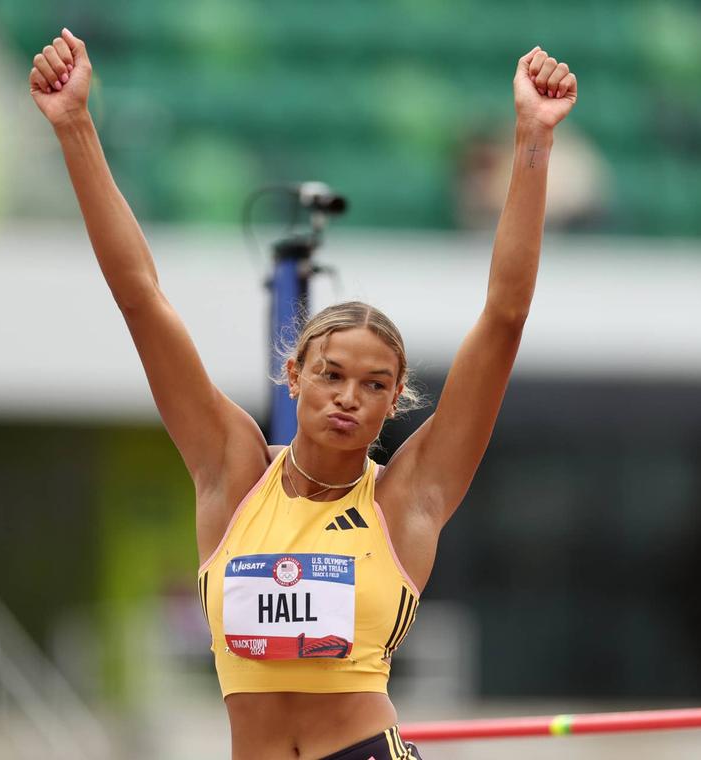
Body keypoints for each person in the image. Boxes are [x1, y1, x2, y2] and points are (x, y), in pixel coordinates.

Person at [29, 28, 577, 760]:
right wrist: (75, 126)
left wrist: (531, 140)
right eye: (332, 375)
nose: (350, 397)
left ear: (394, 402)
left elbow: (505, 316)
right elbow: (141, 299)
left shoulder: (406, 499)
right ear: (293, 377)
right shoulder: (232, 473)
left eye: (375, 384)